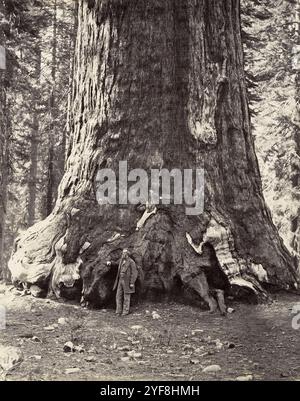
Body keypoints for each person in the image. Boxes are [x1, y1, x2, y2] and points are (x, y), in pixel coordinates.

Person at [113, 249, 139, 316]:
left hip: (127, 281)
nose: (122, 254)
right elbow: (116, 263)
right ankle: (118, 311)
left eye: (124, 253)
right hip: (120, 280)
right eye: (122, 253)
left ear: (127, 254)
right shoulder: (121, 260)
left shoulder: (131, 262)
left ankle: (125, 311)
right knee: (118, 295)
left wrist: (132, 282)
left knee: (126, 296)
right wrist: (110, 262)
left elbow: (134, 273)